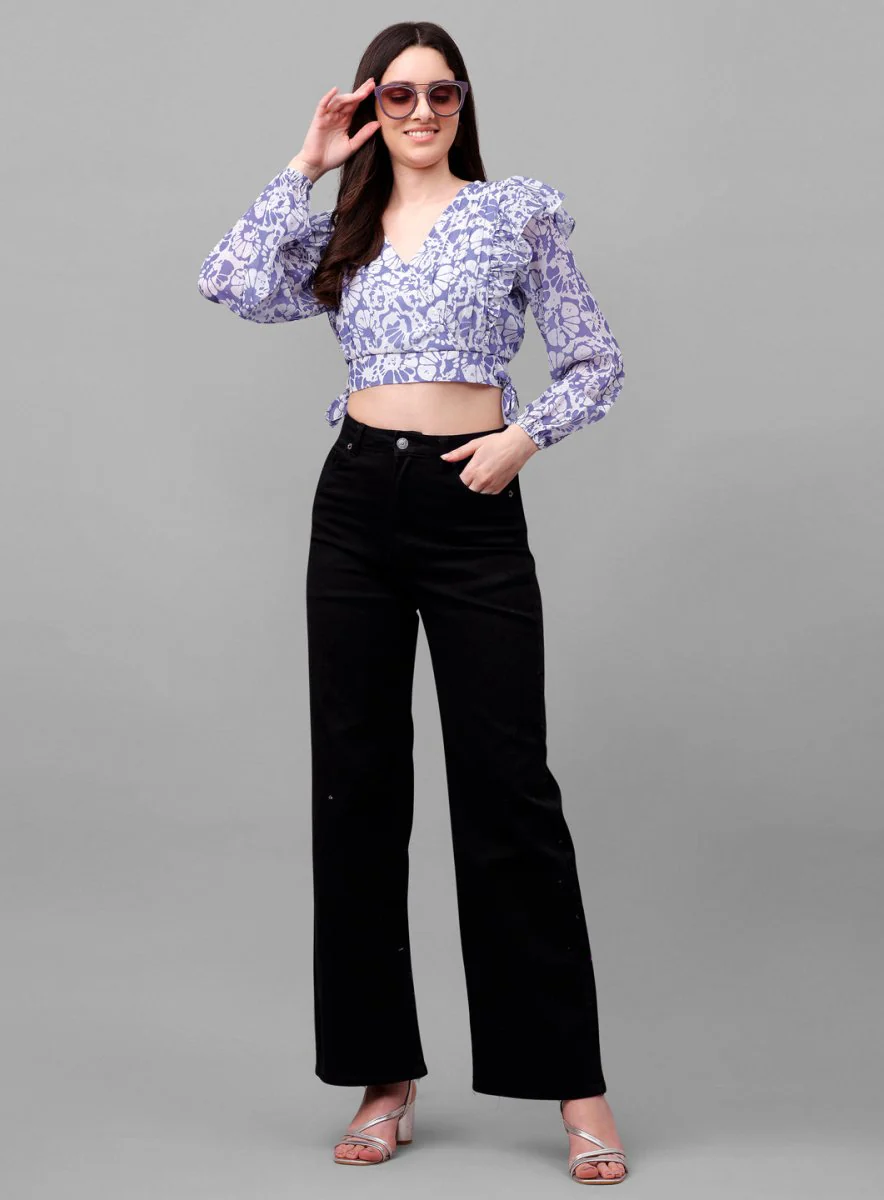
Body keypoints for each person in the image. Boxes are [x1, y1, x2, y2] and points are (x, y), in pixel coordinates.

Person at [197, 19, 628, 1186]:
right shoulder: (339, 228)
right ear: (368, 106)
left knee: (509, 789)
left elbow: (595, 358)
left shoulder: (516, 212)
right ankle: (383, 1078)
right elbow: (228, 280)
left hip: (471, 500)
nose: (423, 112)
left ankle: (575, 1087)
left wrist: (523, 438)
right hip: (355, 504)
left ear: (464, 103)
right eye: (398, 95)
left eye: (442, 93)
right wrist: (307, 163)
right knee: (357, 787)